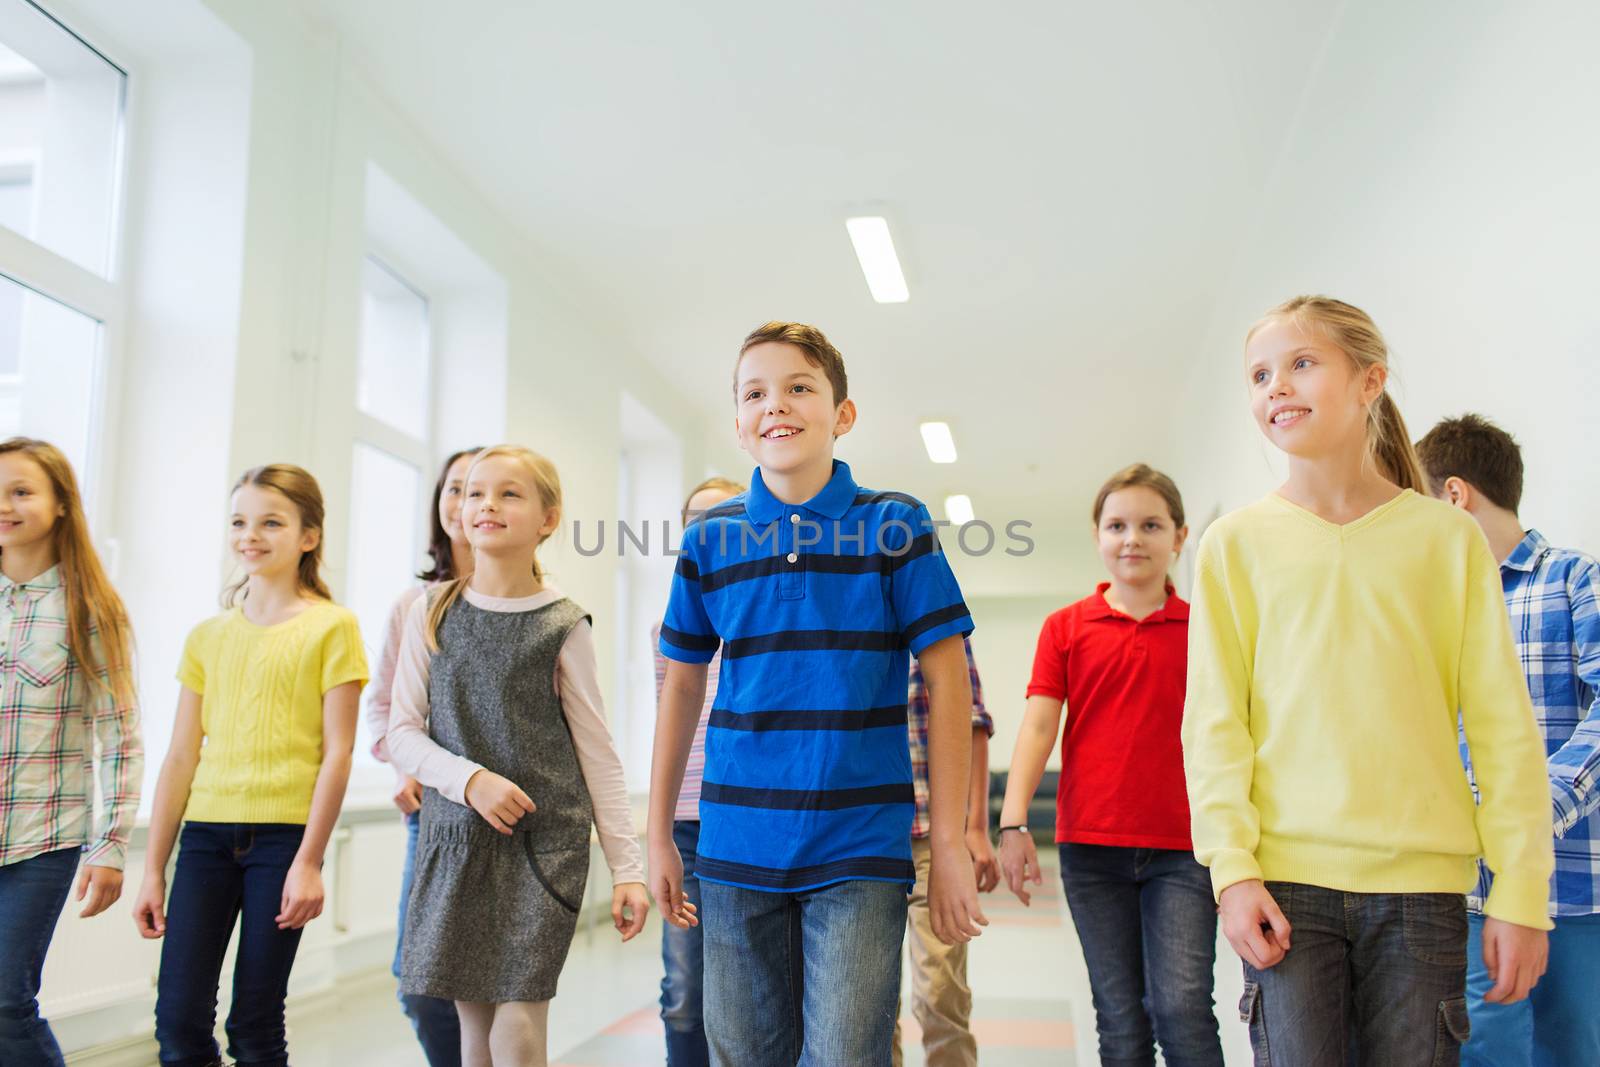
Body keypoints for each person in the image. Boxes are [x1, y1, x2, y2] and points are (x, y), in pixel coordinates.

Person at [1182, 296, 1553, 1065]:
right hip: (1284, 887)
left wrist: (1520, 892)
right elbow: (1216, 723)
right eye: (1259, 374)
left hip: (1421, 896)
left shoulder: (1446, 540)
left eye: (1301, 363)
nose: (1276, 386)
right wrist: (1232, 871)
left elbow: (1502, 726)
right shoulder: (1233, 546)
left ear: (1368, 382)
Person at [649, 321, 985, 1066]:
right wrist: (656, 835)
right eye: (755, 392)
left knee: (845, 1054)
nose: (778, 404)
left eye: (800, 386)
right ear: (739, 423)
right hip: (736, 845)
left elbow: (949, 678)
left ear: (843, 413)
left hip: (860, 845)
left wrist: (956, 843)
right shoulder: (711, 539)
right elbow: (680, 687)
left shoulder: (894, 524)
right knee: (744, 1053)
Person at [387, 445, 648, 1067]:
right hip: (456, 842)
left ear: (547, 518)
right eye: (475, 492)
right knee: (473, 1030)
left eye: (510, 493)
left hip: (543, 850)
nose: (487, 504)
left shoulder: (564, 624)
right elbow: (401, 733)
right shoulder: (429, 611)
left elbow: (598, 755)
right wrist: (469, 780)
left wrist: (628, 868)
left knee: (519, 1018)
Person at [134, 464, 367, 1067]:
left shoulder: (333, 627)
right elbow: (182, 754)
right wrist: (154, 868)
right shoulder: (206, 638)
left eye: (271, 522)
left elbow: (338, 751)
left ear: (308, 536)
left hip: (284, 844)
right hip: (206, 839)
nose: (251, 535)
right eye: (239, 521)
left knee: (255, 1023)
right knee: (178, 1021)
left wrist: (310, 862)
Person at [999, 462, 1221, 1066]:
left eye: (1151, 525)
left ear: (1179, 537)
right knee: (1119, 1016)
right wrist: (1013, 823)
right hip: (1091, 849)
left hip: (1187, 849)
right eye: (1117, 525)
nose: (1132, 539)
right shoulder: (1066, 628)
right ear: (1098, 536)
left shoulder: (1207, 628)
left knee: (1182, 1008)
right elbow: (1039, 725)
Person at [1416, 413, 1600, 1066]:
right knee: (1484, 1051)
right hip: (1471, 889)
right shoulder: (1434, 606)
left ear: (1454, 496)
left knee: (1570, 1050)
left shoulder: (1576, 580)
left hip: (1577, 888)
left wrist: (1530, 810)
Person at [0, 437, 142, 1067]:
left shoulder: (90, 608)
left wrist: (110, 846)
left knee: (5, 1001)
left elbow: (120, 736)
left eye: (21, 491)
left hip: (41, 839)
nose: (5, 504)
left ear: (60, 504)